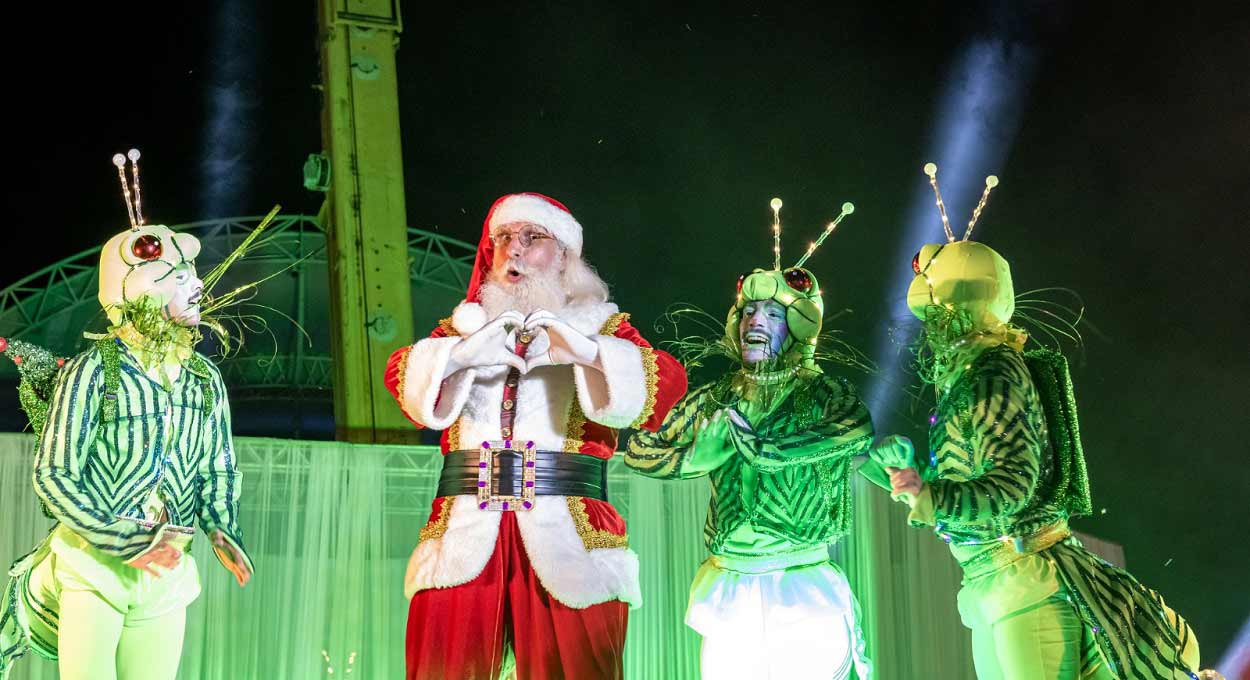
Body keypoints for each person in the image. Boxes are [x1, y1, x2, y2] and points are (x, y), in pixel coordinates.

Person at [864, 166, 1208, 680]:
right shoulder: (967, 373)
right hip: (994, 582)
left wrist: (927, 496)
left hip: (1024, 580)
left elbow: (1012, 484)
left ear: (961, 303)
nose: (929, 323)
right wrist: (909, 478)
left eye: (936, 307)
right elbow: (979, 481)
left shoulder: (993, 369)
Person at [385, 192, 688, 680]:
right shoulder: (463, 328)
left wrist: (587, 352)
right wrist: (462, 355)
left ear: (565, 255)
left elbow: (667, 385)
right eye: (503, 238)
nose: (514, 250)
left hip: (569, 531)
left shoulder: (601, 326)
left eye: (533, 237)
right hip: (466, 532)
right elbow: (401, 376)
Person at [0, 151, 252, 680]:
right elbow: (54, 473)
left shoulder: (205, 379)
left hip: (167, 569)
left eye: (192, 275)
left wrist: (222, 528)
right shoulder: (94, 372)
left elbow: (218, 468)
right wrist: (119, 538)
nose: (197, 287)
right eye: (180, 278)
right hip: (95, 567)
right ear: (140, 290)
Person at [626, 200, 874, 679]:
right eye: (748, 312)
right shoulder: (717, 398)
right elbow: (639, 449)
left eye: (771, 314)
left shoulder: (820, 394)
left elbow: (856, 428)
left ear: (799, 328)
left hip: (804, 593)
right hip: (731, 593)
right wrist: (694, 458)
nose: (754, 322)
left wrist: (766, 451)